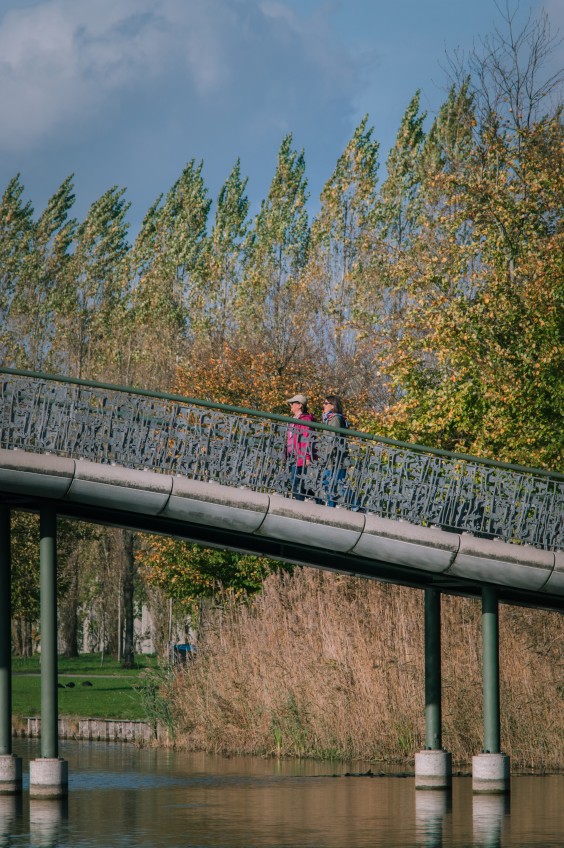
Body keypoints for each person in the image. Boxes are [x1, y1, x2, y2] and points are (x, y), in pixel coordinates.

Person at [285, 393, 318, 501]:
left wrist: (307, 456)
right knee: (296, 481)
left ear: (299, 405)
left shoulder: (305, 419)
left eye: (292, 403)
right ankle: (314, 498)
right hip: (292, 455)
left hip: (300, 455)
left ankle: (302, 503)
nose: (290, 405)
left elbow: (306, 438)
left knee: (295, 482)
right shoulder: (294, 418)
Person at [321, 395, 350, 507]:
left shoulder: (335, 419)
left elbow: (334, 439)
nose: (323, 405)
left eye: (326, 403)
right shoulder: (329, 419)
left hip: (336, 459)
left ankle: (357, 507)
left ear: (333, 406)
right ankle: (330, 505)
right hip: (331, 459)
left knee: (339, 485)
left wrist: (327, 455)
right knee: (328, 483)